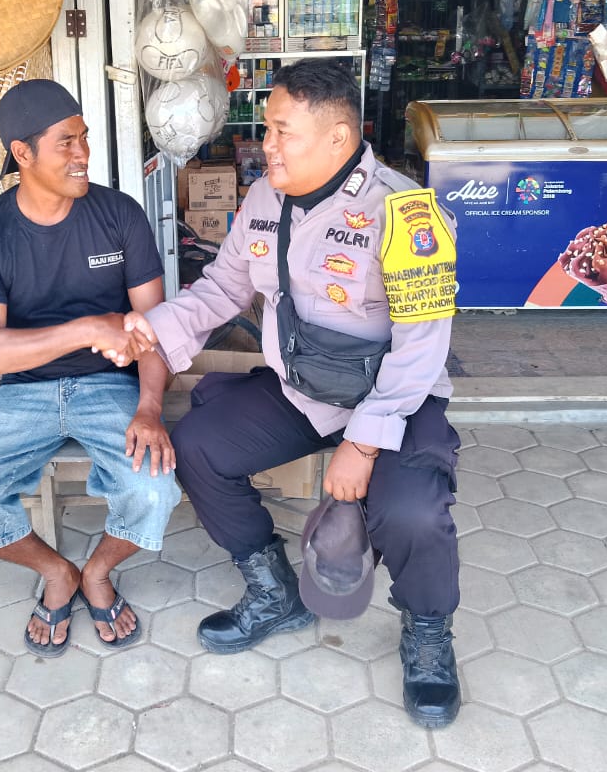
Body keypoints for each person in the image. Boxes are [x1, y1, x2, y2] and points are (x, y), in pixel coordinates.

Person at [135, 58, 463, 728]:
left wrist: (364, 446)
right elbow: (222, 290)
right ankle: (274, 591)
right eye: (268, 128)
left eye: (283, 131)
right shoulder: (265, 200)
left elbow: (421, 347)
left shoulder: (406, 214)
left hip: (393, 397)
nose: (268, 145)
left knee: (412, 512)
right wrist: (149, 330)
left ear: (338, 138)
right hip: (304, 388)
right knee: (197, 446)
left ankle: (428, 631)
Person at [0, 79, 180, 657]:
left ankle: (96, 571)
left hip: (110, 386)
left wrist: (150, 408)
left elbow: (156, 331)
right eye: (66, 142)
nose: (83, 154)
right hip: (23, 392)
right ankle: (56, 572)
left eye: (84, 138)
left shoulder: (118, 214)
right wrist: (89, 328)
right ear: (22, 153)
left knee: (153, 491)